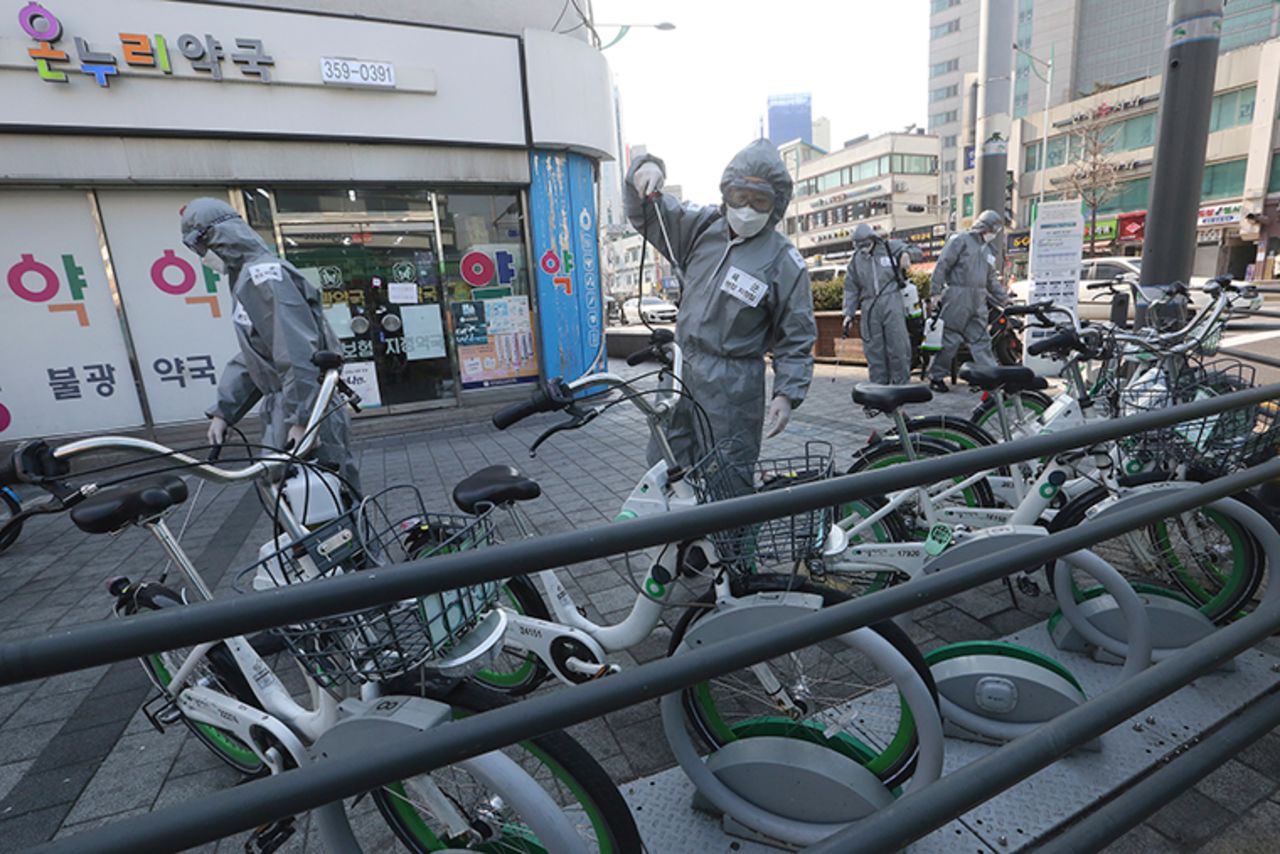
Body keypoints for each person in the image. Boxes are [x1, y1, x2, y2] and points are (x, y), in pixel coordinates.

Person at [623, 139, 816, 480]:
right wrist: (644, 168)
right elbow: (650, 214)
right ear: (726, 192)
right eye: (741, 197)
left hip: (734, 383)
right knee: (666, 464)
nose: (747, 208)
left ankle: (729, 536)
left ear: (777, 204)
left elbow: (796, 334)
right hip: (681, 369)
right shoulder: (701, 228)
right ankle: (674, 535)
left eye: (760, 201)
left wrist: (787, 392)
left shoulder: (783, 260)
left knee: (726, 474)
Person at [179, 198, 360, 494]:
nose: (205, 258)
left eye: (203, 248)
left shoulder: (264, 277)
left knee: (320, 502)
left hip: (304, 407)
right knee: (296, 498)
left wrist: (303, 420)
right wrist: (224, 411)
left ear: (219, 239)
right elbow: (257, 356)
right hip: (291, 407)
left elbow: (296, 352)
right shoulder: (247, 277)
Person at [926, 209, 1009, 393]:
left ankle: (989, 377)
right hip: (957, 295)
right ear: (984, 227)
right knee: (950, 339)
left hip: (978, 299)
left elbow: (991, 280)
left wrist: (1004, 299)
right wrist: (935, 292)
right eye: (993, 229)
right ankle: (936, 376)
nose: (993, 234)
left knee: (981, 340)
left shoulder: (988, 250)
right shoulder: (960, 241)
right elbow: (943, 265)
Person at [844, 223, 913, 385]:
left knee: (898, 346)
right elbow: (850, 288)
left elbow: (915, 250)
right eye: (859, 245)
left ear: (872, 239)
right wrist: (848, 313)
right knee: (874, 350)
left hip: (892, 301)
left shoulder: (890, 248)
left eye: (865, 244)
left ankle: (901, 386)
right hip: (869, 306)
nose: (863, 249)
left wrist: (905, 254)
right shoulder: (855, 260)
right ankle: (878, 388)